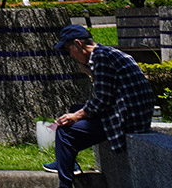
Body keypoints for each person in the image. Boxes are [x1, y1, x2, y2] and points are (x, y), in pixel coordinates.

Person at [46, 24, 153, 187]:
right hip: (134, 113)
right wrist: (90, 73)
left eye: (70, 50)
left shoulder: (100, 58)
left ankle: (65, 184)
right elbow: (110, 88)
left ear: (78, 44)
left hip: (127, 120)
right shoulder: (108, 52)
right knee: (75, 109)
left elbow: (102, 101)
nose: (71, 55)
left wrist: (76, 117)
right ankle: (65, 160)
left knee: (65, 132)